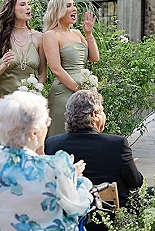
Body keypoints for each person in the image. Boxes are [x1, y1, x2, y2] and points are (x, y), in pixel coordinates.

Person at [0, 91, 93, 230]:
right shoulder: (55, 167)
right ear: (34, 133)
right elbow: (77, 207)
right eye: (47, 122)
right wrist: (75, 178)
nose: (48, 126)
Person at [45, 90, 143, 208]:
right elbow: (136, 183)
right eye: (102, 111)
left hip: (70, 213)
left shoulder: (52, 144)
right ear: (94, 115)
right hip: (109, 215)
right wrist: (130, 165)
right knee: (153, 192)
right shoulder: (117, 144)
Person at [43, 0, 99, 136]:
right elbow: (55, 69)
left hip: (83, 94)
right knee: (62, 136)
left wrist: (88, 33)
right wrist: (78, 89)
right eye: (68, 6)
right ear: (58, 10)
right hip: (64, 93)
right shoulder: (51, 35)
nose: (74, 8)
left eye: (74, 5)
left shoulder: (77, 33)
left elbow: (95, 57)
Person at [0, 0, 47, 97]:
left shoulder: (39, 37)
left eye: (28, 4)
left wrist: (36, 91)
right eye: (22, 4)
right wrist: (4, 66)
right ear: (12, 9)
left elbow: (42, 73)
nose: (28, 7)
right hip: (3, 103)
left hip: (29, 103)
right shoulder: (2, 36)